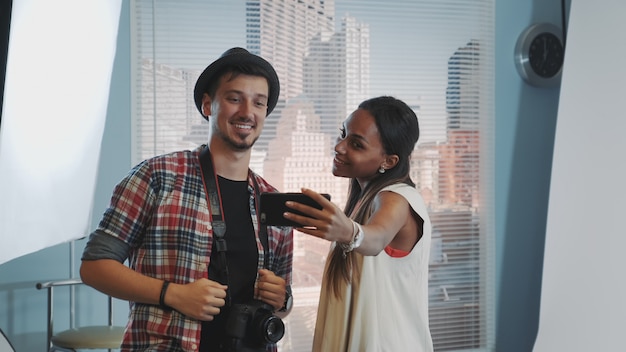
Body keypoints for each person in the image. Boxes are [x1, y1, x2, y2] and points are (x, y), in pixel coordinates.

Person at [80, 47, 293, 352]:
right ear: (208, 105)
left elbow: (283, 304)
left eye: (259, 102)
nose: (248, 111)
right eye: (234, 98)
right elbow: (94, 266)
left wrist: (282, 297)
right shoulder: (157, 176)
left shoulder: (273, 202)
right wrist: (173, 294)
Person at [283, 96, 434, 351]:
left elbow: (375, 238)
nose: (339, 147)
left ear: (389, 161)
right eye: (343, 134)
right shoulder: (363, 200)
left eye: (356, 144)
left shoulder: (396, 199)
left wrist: (352, 233)